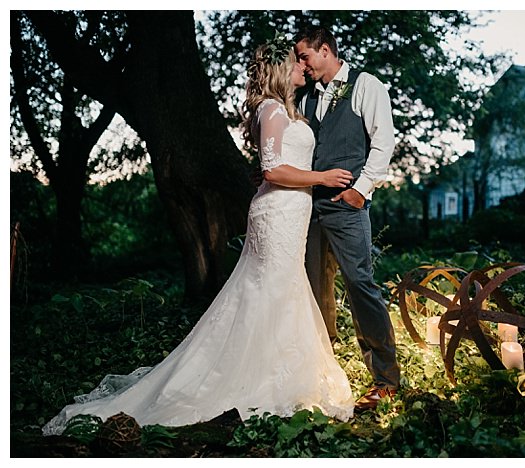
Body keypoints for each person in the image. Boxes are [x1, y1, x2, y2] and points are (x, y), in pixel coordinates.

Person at [41, 36, 355, 436]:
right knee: (273, 290)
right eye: (295, 62)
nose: (302, 68)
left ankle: (274, 370)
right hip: (278, 212)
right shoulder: (272, 111)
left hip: (291, 212)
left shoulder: (283, 111)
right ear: (280, 69)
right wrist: (323, 177)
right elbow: (274, 171)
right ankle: (257, 380)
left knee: (279, 290)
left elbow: (272, 166)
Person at [294, 27, 400, 411]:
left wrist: (361, 189)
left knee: (360, 284)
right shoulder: (304, 96)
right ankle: (324, 368)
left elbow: (383, 141)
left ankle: (385, 378)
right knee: (313, 287)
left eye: (305, 56)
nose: (301, 65)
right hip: (307, 207)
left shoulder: (365, 84)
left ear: (325, 51)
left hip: (346, 204)